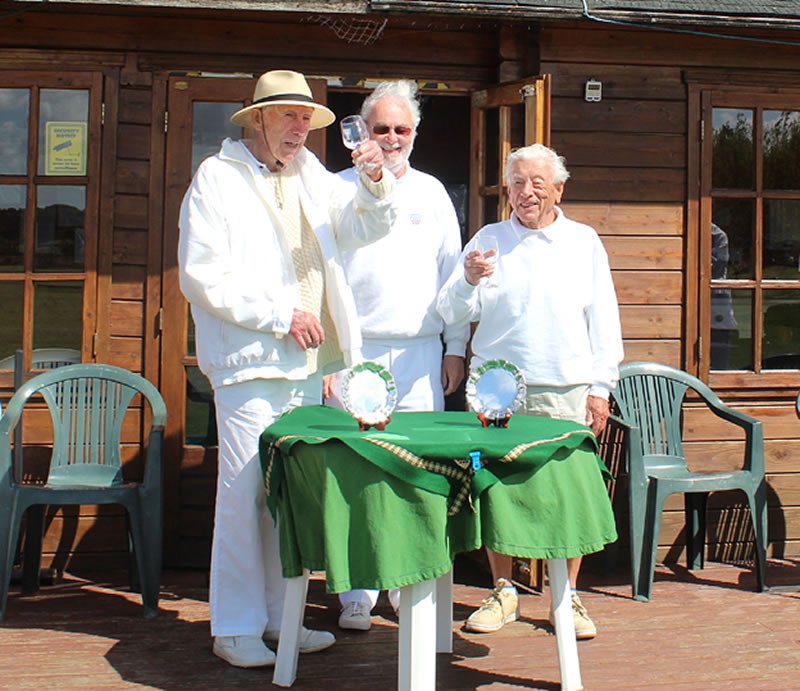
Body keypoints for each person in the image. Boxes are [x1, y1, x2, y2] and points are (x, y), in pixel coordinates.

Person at [178, 69, 395, 668]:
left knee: (283, 497)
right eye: (288, 116)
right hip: (250, 364)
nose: (299, 128)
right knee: (245, 493)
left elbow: (361, 230)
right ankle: (235, 626)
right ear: (258, 119)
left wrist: (375, 181)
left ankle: (281, 620)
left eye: (306, 117)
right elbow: (201, 275)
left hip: (305, 366)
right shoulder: (217, 178)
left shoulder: (310, 173)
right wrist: (280, 314)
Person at [436, 143, 624, 640]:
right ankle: (504, 591)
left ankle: (569, 598)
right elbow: (452, 311)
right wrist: (467, 281)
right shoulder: (488, 239)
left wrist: (601, 387)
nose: (526, 192)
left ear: (559, 188)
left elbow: (604, 320)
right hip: (495, 390)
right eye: (517, 183)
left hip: (566, 386)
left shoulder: (583, 242)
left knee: (568, 493)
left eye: (537, 182)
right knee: (495, 490)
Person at [325, 79, 469, 631]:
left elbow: (452, 273)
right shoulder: (338, 187)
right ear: (364, 128)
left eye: (401, 128)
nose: (391, 137)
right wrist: (331, 360)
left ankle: (404, 585)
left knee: (414, 474)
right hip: (356, 355)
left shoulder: (432, 193)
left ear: (415, 132)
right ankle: (355, 592)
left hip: (418, 355)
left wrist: (454, 347)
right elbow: (323, 277)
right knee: (356, 473)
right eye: (381, 127)